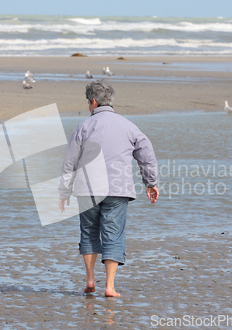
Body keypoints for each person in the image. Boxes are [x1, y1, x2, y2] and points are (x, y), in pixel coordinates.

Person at [59, 81, 159, 297]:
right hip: (118, 189)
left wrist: (64, 190)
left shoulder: (84, 126)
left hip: (88, 189)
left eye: (88, 102)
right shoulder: (128, 126)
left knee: (89, 232)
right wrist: (150, 182)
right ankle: (110, 286)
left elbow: (70, 161)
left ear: (93, 102)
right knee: (113, 234)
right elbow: (146, 154)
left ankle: (90, 279)